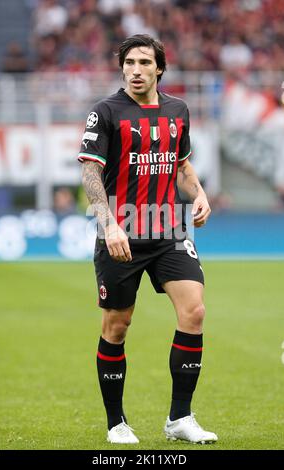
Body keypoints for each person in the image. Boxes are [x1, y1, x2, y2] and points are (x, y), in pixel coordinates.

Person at [77, 34, 218, 445]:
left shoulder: (178, 111)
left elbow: (181, 165)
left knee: (194, 311)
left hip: (169, 232)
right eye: (129, 63)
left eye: (144, 62)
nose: (135, 70)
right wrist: (109, 223)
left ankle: (180, 418)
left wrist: (201, 193)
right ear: (122, 67)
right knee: (117, 326)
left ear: (159, 67)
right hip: (120, 234)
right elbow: (89, 173)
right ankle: (116, 423)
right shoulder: (104, 112)